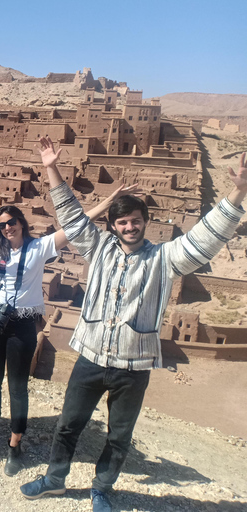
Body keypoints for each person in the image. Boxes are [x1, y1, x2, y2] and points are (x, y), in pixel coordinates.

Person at [20, 140, 247, 512]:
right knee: (68, 424)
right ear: (113, 225)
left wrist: (237, 193)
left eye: (136, 221)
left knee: (120, 436)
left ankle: (101, 489)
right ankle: (55, 479)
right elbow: (72, 216)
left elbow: (204, 240)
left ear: (145, 224)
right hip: (90, 358)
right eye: (123, 222)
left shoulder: (164, 259)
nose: (129, 227)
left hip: (133, 367)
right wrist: (52, 169)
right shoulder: (98, 248)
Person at [0, 165, 140, 477]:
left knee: (18, 387)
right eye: (2, 224)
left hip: (21, 325)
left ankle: (15, 445)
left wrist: (111, 200)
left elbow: (77, 224)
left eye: (12, 222)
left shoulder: (40, 247)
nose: (7, 228)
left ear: (21, 223)